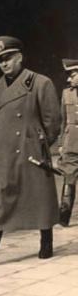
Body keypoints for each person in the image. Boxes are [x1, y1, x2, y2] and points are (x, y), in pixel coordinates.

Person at [0, 36, 61, 266]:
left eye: (8, 58)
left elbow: (53, 120)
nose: (4, 64)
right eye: (0, 61)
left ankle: (46, 242)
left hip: (29, 151)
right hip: (2, 151)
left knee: (39, 198)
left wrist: (39, 143)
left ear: (20, 57)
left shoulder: (39, 82)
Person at [59, 58, 78, 226]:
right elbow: (63, 120)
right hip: (71, 140)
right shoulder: (67, 93)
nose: (68, 79)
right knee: (69, 178)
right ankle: (64, 215)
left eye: (72, 74)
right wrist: (61, 143)